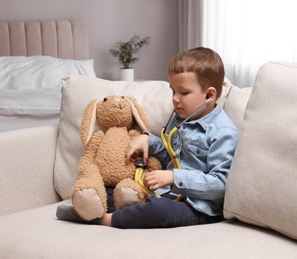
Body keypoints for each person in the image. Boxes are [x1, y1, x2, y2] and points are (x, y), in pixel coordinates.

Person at [56, 47, 240, 228]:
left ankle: (100, 219)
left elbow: (220, 185)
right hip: (167, 193)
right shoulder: (179, 118)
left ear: (209, 95)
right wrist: (148, 141)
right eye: (173, 91)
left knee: (159, 210)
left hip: (197, 206)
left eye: (183, 92)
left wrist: (173, 178)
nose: (175, 99)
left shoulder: (223, 133)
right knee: (114, 190)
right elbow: (171, 156)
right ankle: (92, 205)